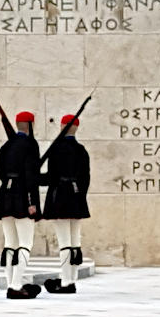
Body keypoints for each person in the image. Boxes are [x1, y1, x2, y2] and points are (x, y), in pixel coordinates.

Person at [0, 93, 42, 300]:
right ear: (29, 125)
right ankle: (16, 286)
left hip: (5, 196)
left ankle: (11, 283)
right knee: (25, 244)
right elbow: (31, 177)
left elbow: (1, 174)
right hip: (21, 196)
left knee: (10, 243)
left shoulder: (6, 146)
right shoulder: (31, 145)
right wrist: (32, 202)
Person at [41, 113, 91, 294]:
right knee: (75, 241)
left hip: (60, 197)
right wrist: (79, 196)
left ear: (62, 127)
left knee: (65, 243)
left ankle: (66, 281)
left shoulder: (56, 149)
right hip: (77, 198)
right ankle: (72, 279)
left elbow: (51, 177)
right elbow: (86, 178)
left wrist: (34, 178)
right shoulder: (81, 150)